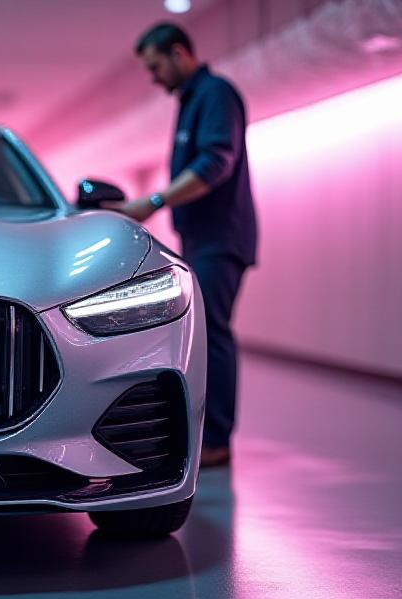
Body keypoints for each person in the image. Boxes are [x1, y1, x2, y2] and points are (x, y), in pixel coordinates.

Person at [107, 22, 258, 468]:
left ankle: (216, 440)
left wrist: (152, 202)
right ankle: (209, 435)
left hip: (222, 236)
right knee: (207, 333)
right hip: (201, 238)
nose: (153, 78)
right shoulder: (193, 101)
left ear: (178, 53)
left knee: (212, 333)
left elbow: (215, 164)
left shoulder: (216, 95)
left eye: (155, 67)